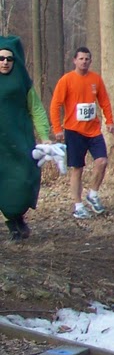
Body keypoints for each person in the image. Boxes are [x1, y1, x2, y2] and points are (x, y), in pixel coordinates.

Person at [50, 46, 114, 219]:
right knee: (77, 168)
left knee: (102, 161)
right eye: (81, 58)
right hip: (73, 131)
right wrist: (57, 129)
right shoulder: (66, 80)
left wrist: (109, 121)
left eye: (87, 59)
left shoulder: (96, 79)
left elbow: (104, 101)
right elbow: (55, 105)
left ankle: (92, 194)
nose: (84, 61)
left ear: (90, 61)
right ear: (74, 60)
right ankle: (78, 205)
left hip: (93, 130)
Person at [0, 37, 51, 239]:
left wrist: (45, 135)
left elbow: (36, 109)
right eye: (1, 58)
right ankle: (12, 225)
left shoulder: (23, 83)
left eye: (9, 59)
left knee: (22, 181)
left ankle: (18, 217)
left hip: (20, 142)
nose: (5, 62)